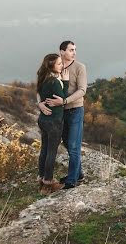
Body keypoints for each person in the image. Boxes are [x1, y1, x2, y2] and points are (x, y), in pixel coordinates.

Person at [39, 40, 87, 189]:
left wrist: (65, 101)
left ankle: (72, 180)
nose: (74, 52)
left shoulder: (80, 67)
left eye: (75, 50)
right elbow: (40, 86)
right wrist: (39, 103)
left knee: (73, 146)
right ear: (62, 51)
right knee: (67, 144)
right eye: (71, 50)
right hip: (59, 115)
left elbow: (82, 90)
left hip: (75, 111)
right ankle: (77, 174)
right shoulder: (54, 65)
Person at [36, 53, 65, 193]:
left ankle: (41, 179)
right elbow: (63, 97)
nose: (62, 66)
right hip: (54, 121)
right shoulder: (54, 81)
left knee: (44, 150)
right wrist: (65, 81)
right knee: (51, 152)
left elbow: (40, 95)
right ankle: (48, 182)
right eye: (59, 64)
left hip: (43, 120)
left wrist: (40, 104)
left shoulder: (43, 79)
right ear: (51, 66)